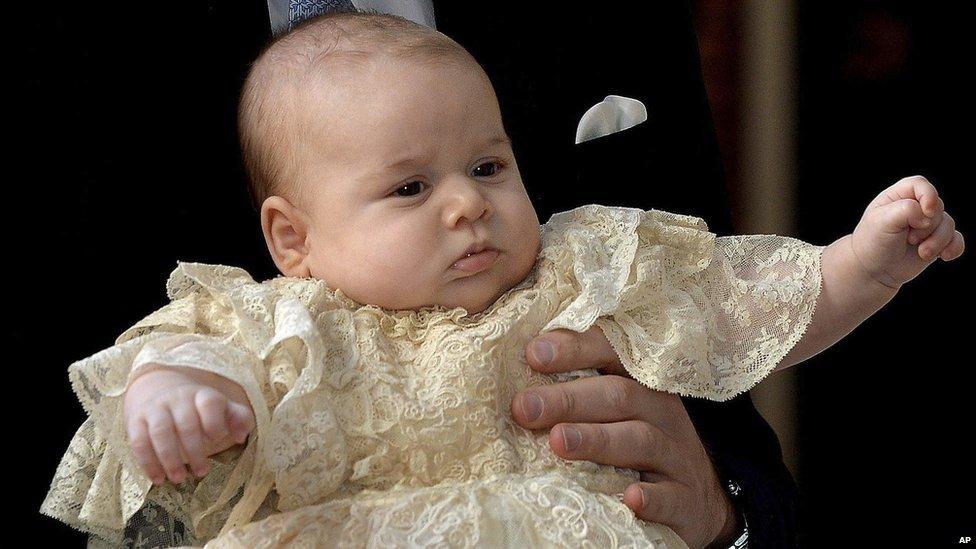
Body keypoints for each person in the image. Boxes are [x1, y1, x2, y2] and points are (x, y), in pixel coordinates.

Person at [39, 11, 965, 548]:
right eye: (409, 187)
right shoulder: (284, 319)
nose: (466, 207)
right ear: (292, 238)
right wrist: (179, 391)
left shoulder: (578, 265)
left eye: (487, 168)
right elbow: (173, 350)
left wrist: (862, 262)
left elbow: (744, 303)